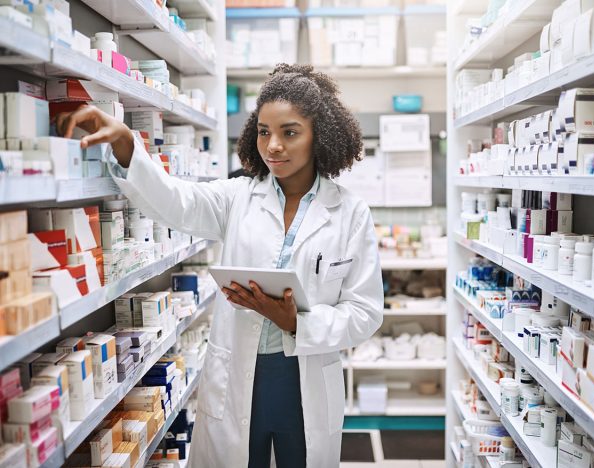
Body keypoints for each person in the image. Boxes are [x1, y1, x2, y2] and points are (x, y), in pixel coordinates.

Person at [55, 63, 384, 468]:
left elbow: (365, 312)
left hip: (305, 379)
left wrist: (296, 321)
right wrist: (127, 145)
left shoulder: (350, 212)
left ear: (321, 136)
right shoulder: (238, 197)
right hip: (239, 377)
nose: (273, 146)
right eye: (264, 131)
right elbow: (177, 202)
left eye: (290, 132)